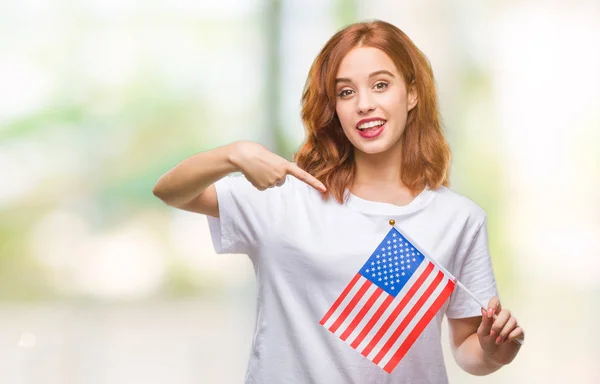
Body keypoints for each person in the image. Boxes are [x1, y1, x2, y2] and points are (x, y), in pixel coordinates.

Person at [153, 19, 524, 384]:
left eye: (380, 85)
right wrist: (231, 155)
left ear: (412, 94)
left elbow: (466, 348)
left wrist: (494, 351)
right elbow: (170, 191)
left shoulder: (459, 219)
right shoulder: (286, 197)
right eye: (346, 92)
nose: (364, 104)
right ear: (334, 107)